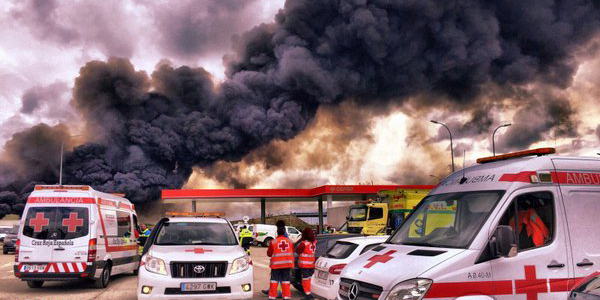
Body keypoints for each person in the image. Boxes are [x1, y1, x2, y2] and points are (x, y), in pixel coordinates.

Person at [267, 222, 293, 300]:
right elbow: (291, 251)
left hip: (276, 265)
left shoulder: (273, 241)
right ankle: (286, 297)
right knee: (286, 281)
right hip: (287, 265)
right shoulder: (290, 241)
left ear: (277, 232)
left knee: (274, 281)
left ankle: (272, 297)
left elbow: (269, 254)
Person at [296, 228, 317, 300]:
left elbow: (297, 251)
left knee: (305, 281)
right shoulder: (313, 243)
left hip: (305, 266)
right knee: (310, 280)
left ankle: (308, 296)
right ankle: (311, 294)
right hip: (311, 265)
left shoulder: (304, 244)